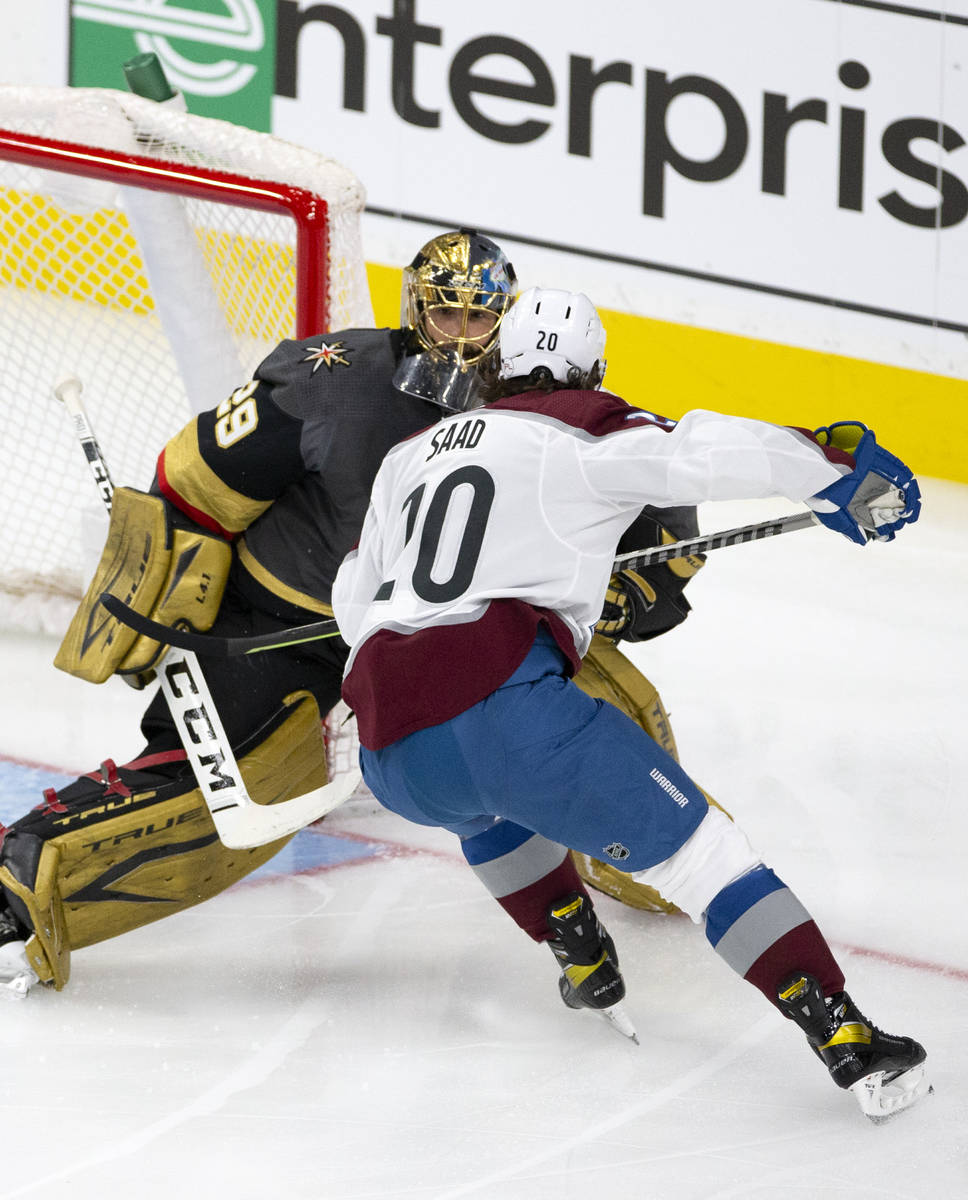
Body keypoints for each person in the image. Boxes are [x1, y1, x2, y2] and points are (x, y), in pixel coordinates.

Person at [0, 232, 700, 1026]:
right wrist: (157, 589)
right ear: (415, 310)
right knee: (221, 802)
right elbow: (194, 479)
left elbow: (661, 516)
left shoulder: (543, 403)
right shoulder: (331, 382)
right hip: (286, 625)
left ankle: (661, 856)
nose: (465, 337)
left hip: (453, 629)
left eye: (483, 320)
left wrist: (637, 590)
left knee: (603, 706)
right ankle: (20, 880)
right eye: (448, 315)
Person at [331, 285, 929, 1121]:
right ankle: (844, 1033)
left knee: (480, 805)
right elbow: (703, 451)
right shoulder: (583, 426)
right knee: (703, 857)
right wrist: (830, 475)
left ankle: (579, 954)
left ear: (497, 365)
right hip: (506, 709)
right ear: (593, 368)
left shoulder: (411, 455)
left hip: (388, 741)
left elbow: (352, 597)